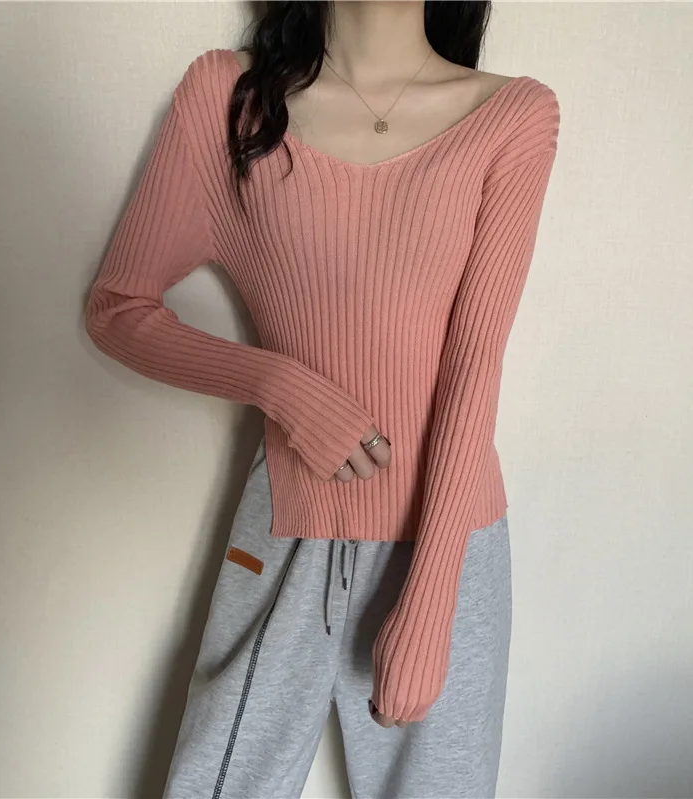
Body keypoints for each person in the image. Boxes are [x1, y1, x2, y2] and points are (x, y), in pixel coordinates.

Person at [84, 1, 559, 796]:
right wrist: (281, 386)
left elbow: (475, 364)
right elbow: (119, 307)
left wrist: (433, 597)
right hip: (288, 523)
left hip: (449, 538)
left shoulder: (511, 115)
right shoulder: (229, 100)